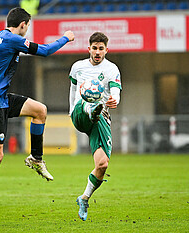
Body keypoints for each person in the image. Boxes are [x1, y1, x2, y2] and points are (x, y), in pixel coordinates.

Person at [0, 7, 74, 231]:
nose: (28, 30)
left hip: (1, 99)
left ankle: (36, 157)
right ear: (23, 25)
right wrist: (66, 38)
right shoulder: (13, 40)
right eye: (28, 26)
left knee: (39, 110)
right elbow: (43, 50)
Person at [68, 32, 122, 221]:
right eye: (94, 48)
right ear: (89, 48)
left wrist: (115, 99)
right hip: (80, 113)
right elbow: (74, 89)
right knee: (87, 102)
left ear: (106, 50)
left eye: (101, 49)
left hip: (101, 118)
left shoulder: (112, 69)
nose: (97, 52)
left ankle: (84, 198)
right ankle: (91, 108)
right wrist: (71, 109)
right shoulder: (78, 67)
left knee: (102, 165)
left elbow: (115, 90)